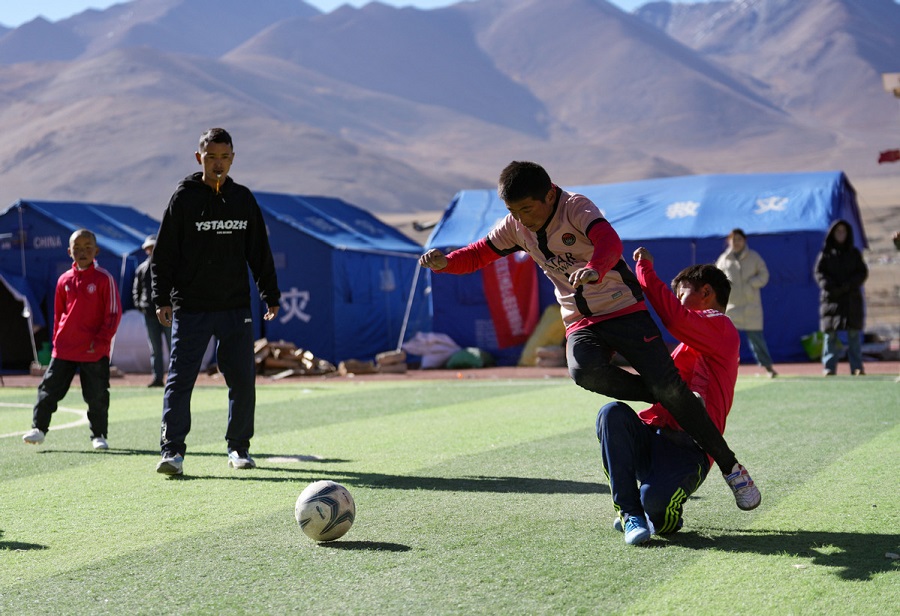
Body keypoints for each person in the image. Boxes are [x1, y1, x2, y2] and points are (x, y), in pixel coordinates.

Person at [419, 161, 760, 511]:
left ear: (549, 194)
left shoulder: (576, 207)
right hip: (581, 321)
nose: (521, 218)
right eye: (512, 211)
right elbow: (478, 254)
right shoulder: (515, 227)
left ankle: (731, 468)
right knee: (584, 371)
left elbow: (609, 242)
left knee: (670, 390)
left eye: (526, 209)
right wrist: (447, 262)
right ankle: (664, 398)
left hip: (624, 310)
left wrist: (596, 269)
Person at [151, 127, 281, 476]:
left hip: (234, 307)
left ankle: (239, 448)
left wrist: (270, 294)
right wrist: (161, 298)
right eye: (211, 157)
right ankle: (172, 452)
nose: (218, 164)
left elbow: (259, 252)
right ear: (199, 158)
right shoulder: (184, 198)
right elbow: (163, 254)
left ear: (233, 158)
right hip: (191, 307)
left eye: (224, 157)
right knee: (180, 379)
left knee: (242, 379)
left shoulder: (243, 199)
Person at [597, 250, 740, 545]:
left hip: (688, 452)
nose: (675, 301)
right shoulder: (691, 342)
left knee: (657, 506)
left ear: (706, 292)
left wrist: (644, 269)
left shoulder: (722, 327)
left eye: (681, 293)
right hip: (653, 437)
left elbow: (673, 319)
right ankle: (630, 511)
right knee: (611, 414)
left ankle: (657, 515)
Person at [22, 229, 122, 450]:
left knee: (96, 394)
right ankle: (39, 428)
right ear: (69, 251)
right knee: (48, 389)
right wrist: (57, 340)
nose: (82, 251)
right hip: (65, 348)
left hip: (94, 349)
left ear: (96, 250)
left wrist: (101, 340)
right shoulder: (64, 280)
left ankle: (98, 435)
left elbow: (113, 313)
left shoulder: (104, 279)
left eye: (88, 247)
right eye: (77, 248)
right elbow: (58, 315)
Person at [715, 228, 777, 377]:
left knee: (757, 340)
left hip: (751, 307)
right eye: (733, 239)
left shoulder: (754, 257)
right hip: (731, 307)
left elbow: (764, 275)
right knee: (727, 340)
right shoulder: (723, 260)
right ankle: (722, 369)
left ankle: (768, 368)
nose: (736, 242)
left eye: (739, 239)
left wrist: (752, 283)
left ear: (745, 241)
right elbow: (716, 280)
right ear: (728, 241)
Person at [814, 220, 868, 376]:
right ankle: (829, 367)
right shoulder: (825, 254)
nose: (841, 234)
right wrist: (832, 287)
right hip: (831, 300)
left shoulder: (854, 253)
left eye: (844, 231)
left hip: (851, 299)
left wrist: (848, 286)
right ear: (832, 234)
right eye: (838, 231)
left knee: (853, 335)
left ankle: (857, 367)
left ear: (848, 234)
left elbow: (862, 273)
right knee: (830, 335)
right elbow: (819, 274)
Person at [132, 234, 171, 387]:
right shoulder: (142, 268)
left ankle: (175, 377)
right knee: (155, 348)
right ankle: (157, 378)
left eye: (153, 247)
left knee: (172, 346)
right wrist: (140, 305)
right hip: (149, 313)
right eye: (149, 248)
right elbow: (137, 289)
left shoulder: (168, 266)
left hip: (167, 313)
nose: (151, 250)